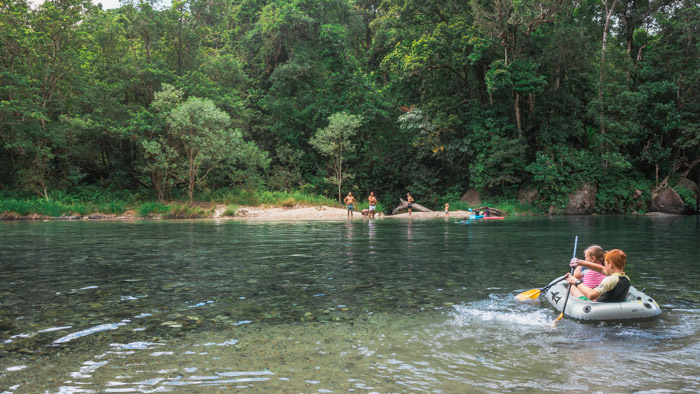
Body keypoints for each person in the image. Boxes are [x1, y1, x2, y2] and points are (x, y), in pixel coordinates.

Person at [565, 249, 630, 302]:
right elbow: (602, 269)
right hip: (615, 306)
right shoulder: (626, 278)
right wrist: (581, 262)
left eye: (605, 263)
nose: (604, 266)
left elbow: (591, 295)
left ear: (611, 264)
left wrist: (576, 281)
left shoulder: (610, 279)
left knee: (572, 287)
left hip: (598, 308)